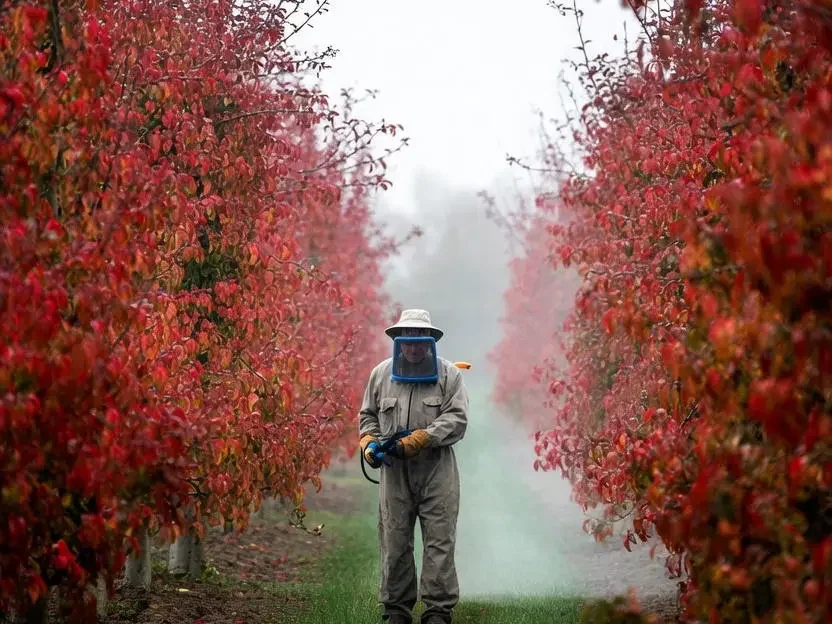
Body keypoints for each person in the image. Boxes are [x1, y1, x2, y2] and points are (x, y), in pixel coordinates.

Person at [359, 309, 469, 624]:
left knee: (439, 540)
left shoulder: (449, 375)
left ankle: (437, 610)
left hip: (437, 470)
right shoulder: (381, 374)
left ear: (430, 341)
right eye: (407, 339)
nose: (414, 346)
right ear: (398, 340)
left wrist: (423, 438)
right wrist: (369, 443)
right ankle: (396, 609)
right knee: (394, 539)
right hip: (394, 473)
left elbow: (457, 419)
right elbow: (367, 416)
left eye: (420, 339)